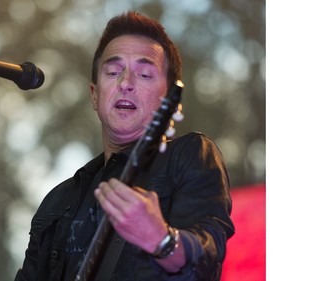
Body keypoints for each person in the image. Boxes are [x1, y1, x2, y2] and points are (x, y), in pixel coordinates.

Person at [14, 11, 235, 281]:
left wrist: (161, 240)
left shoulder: (189, 156)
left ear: (169, 99)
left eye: (144, 74)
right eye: (113, 71)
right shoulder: (58, 201)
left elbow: (207, 260)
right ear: (94, 95)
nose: (126, 83)